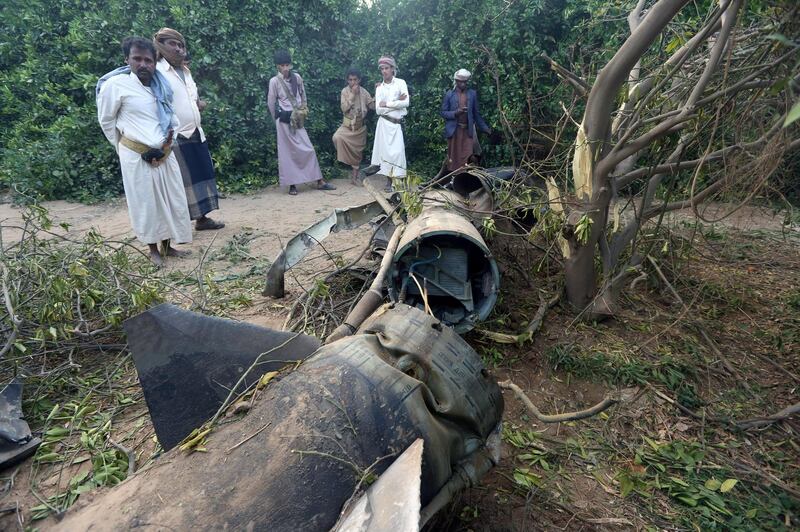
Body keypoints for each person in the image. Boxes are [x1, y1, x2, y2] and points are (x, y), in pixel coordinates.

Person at [97, 37, 192, 267]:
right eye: (137, 59)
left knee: (170, 199)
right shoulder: (116, 86)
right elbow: (107, 121)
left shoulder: (162, 85)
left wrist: (166, 146)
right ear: (127, 60)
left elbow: (173, 117)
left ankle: (168, 246)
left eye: (148, 60)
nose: (143, 64)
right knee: (146, 203)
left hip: (165, 153)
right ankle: (153, 250)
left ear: (154, 62)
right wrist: (129, 149)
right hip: (137, 157)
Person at [154, 28, 224, 231]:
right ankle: (180, 224)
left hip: (195, 130)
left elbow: (188, 98)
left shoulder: (185, 71)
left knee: (201, 173)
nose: (178, 49)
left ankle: (202, 219)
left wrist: (198, 104)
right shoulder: (157, 71)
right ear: (161, 45)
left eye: (181, 45)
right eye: (172, 44)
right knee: (181, 180)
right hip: (174, 134)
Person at [267, 50, 335, 195]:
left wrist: (303, 111)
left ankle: (319, 181)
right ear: (278, 66)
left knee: (308, 148)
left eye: (287, 65)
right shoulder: (274, 81)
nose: (286, 68)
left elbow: (303, 96)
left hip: (297, 119)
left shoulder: (297, 77)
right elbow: (271, 103)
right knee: (287, 153)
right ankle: (292, 185)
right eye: (282, 65)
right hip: (284, 120)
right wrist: (277, 120)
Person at [440, 69, 490, 172]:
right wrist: (455, 113)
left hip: (468, 131)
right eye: (460, 81)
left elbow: (476, 114)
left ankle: (467, 179)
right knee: (454, 158)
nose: (462, 84)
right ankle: (454, 179)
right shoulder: (449, 94)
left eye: (465, 81)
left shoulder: (472, 94)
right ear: (456, 81)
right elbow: (443, 112)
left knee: (469, 156)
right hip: (454, 131)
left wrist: (485, 128)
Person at [370, 56, 409, 192]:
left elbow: (406, 102)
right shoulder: (379, 88)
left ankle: (398, 181)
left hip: (396, 124)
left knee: (398, 153)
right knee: (386, 155)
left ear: (392, 69)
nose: (384, 71)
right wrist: (396, 101)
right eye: (382, 69)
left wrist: (387, 103)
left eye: (387, 68)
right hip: (384, 124)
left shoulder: (400, 83)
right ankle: (388, 182)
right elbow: (378, 109)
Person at [332, 68, 375, 185]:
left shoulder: (364, 92)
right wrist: (352, 95)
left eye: (355, 80)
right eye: (350, 80)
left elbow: (372, 106)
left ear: (359, 80)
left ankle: (354, 178)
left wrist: (379, 93)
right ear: (347, 80)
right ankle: (346, 160)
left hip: (359, 127)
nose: (353, 82)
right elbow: (344, 108)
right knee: (336, 137)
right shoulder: (344, 92)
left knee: (357, 153)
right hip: (347, 126)